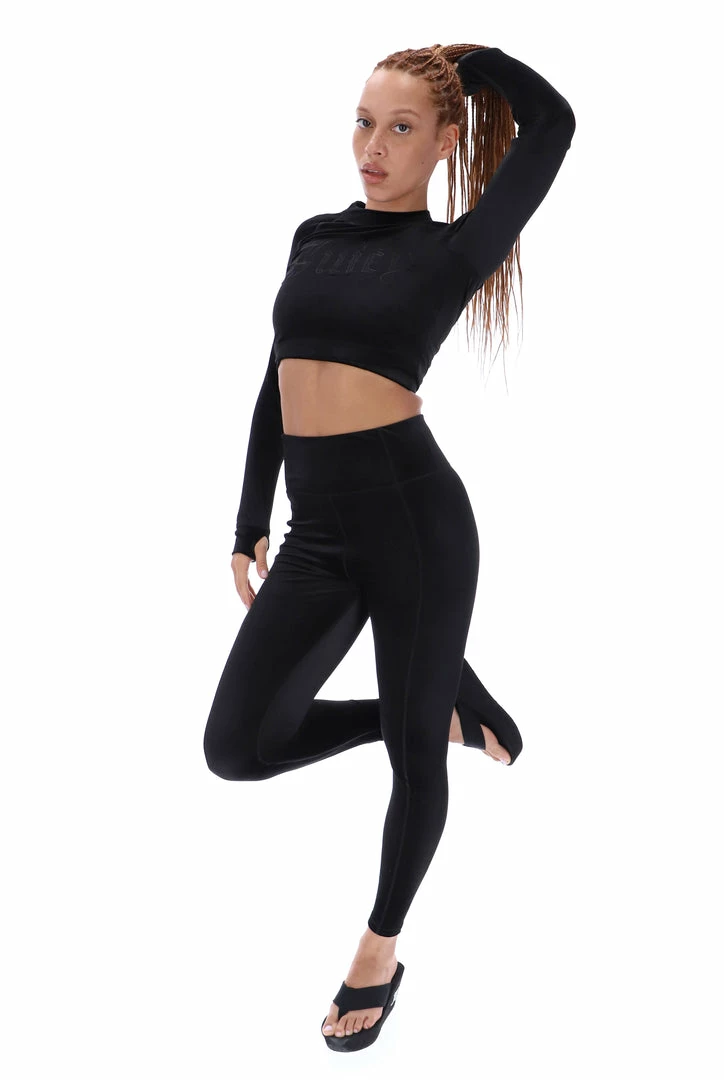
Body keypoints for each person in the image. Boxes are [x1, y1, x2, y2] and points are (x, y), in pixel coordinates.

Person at [203, 41, 575, 1051]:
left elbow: (554, 125)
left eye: (401, 128)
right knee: (237, 748)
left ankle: (378, 950)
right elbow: (277, 377)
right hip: (318, 530)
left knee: (416, 763)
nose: (372, 147)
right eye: (363, 122)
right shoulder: (315, 235)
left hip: (415, 519)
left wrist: (476, 59)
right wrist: (249, 517)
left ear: (445, 142)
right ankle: (431, 700)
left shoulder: (456, 248)